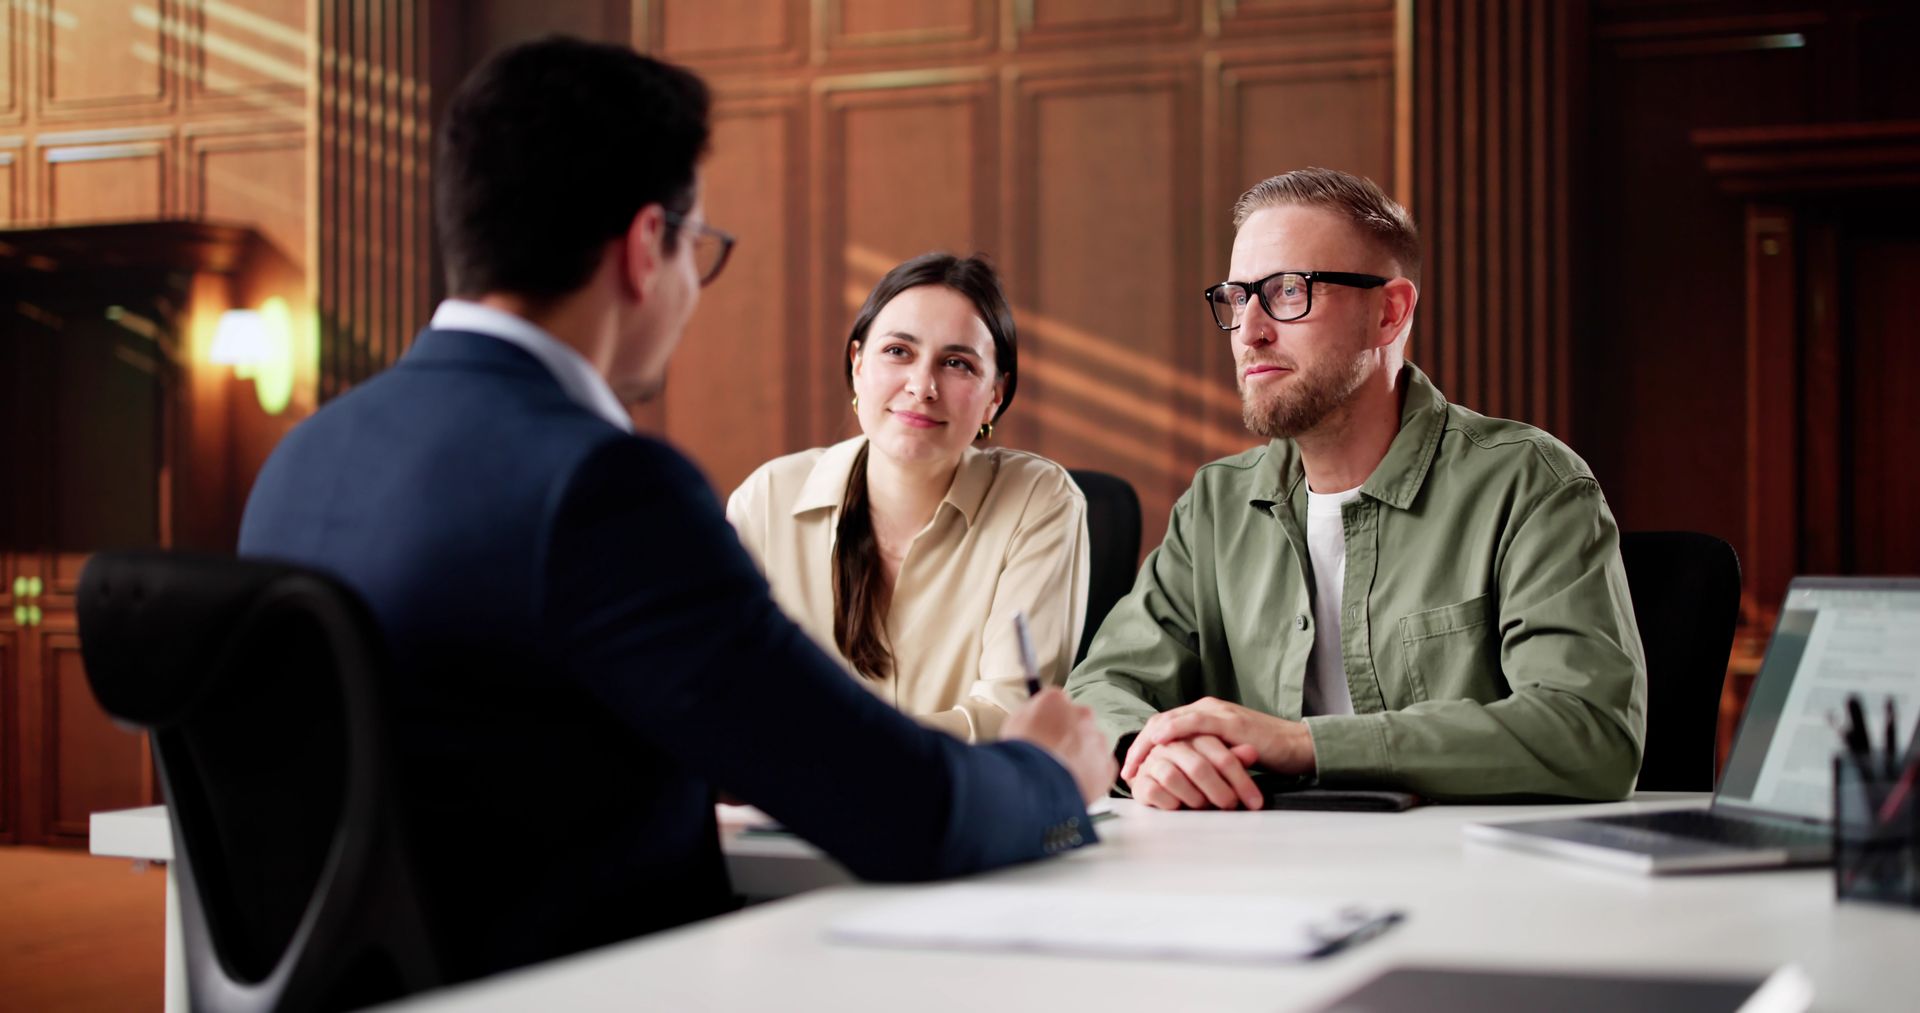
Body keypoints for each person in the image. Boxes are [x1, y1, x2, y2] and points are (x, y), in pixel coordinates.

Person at [237, 36, 1113, 983]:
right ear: (647, 246)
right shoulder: (608, 490)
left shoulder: (301, 461)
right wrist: (1050, 780)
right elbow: (903, 813)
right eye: (700, 247)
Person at [1065, 167, 1645, 810]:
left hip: (1468, 888)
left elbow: (1590, 732)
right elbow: (1102, 689)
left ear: (1388, 313)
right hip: (1259, 879)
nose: (1251, 330)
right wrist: (1150, 751)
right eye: (1237, 297)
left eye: (1288, 291)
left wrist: (1306, 744)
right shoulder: (1214, 506)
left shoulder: (1529, 484)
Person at [726, 254, 1088, 742]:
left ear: (994, 397)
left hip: (966, 809)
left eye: (957, 363)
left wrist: (830, 747)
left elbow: (1013, 718)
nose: (922, 387)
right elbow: (727, 700)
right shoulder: (766, 501)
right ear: (857, 365)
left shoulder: (1039, 501)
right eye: (898, 351)